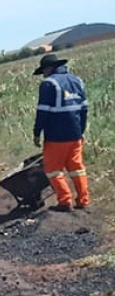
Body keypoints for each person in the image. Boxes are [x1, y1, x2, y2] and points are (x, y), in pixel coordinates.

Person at [33, 53, 90, 211]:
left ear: (49, 68)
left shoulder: (49, 84)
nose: (43, 75)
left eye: (43, 71)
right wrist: (81, 130)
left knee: (52, 169)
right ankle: (83, 200)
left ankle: (65, 201)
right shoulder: (77, 80)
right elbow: (84, 109)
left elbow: (42, 112)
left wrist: (37, 132)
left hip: (56, 136)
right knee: (76, 168)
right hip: (75, 134)